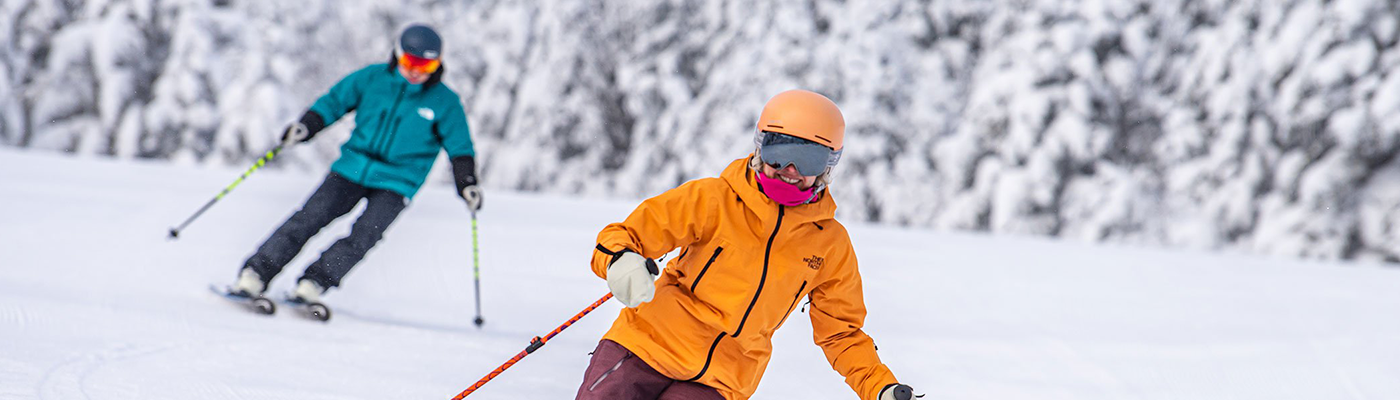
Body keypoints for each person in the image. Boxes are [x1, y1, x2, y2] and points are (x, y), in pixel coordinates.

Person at [578, 90, 917, 400]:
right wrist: (620, 261)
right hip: (645, 345)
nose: (790, 171)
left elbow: (840, 333)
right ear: (760, 148)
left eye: (808, 161)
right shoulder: (713, 200)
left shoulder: (829, 245)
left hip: (720, 380)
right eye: (779, 153)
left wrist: (879, 386)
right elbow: (624, 235)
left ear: (828, 166)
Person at [229, 24, 482, 303]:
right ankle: (256, 274)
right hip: (352, 167)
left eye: (428, 65)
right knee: (309, 218)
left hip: (398, 181)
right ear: (398, 55)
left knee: (365, 235)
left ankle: (314, 283)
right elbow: (334, 102)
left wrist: (467, 183)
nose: (417, 71)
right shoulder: (372, 79)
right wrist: (307, 126)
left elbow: (460, 147)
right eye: (411, 62)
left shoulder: (444, 102)